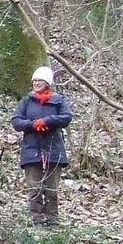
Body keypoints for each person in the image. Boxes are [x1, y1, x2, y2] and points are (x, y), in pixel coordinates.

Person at [11, 65, 73, 225]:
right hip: (31, 148)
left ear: (48, 83)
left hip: (53, 147)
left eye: (40, 80)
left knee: (52, 188)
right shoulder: (26, 100)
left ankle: (53, 219)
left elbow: (66, 117)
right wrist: (32, 125)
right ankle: (36, 218)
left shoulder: (58, 100)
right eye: (35, 80)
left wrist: (47, 121)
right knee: (34, 187)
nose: (37, 83)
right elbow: (16, 121)